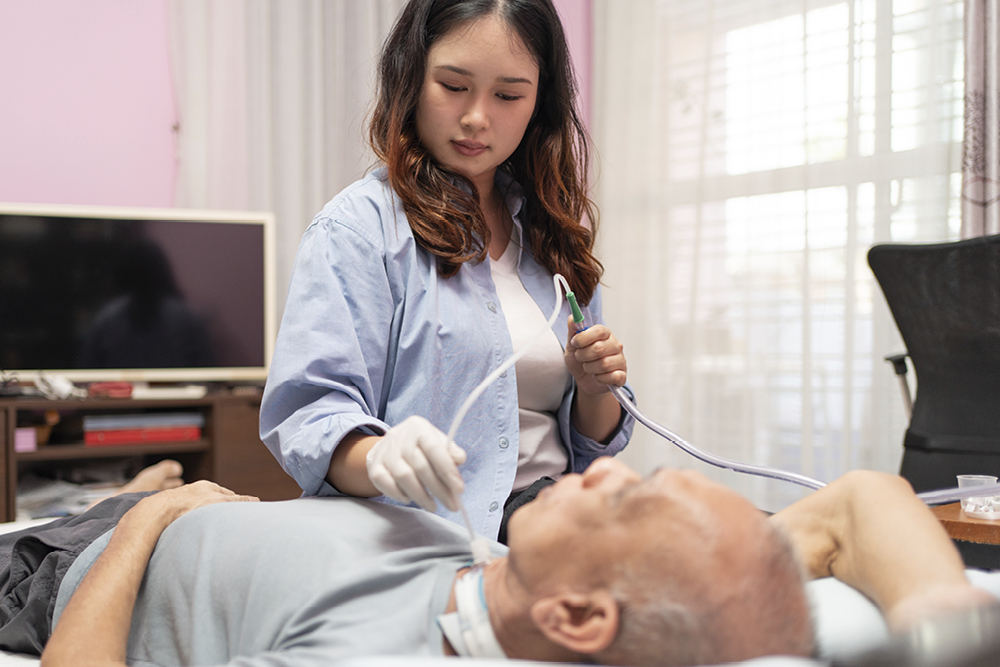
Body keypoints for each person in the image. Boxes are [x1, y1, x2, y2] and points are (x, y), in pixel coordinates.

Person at [2, 459, 995, 667]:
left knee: (73, 515)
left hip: (75, 565)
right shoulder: (620, 587)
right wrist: (942, 624)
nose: (601, 467)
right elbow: (864, 497)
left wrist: (147, 524)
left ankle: (122, 489)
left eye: (625, 495)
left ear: (576, 620)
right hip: (220, 514)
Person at [259, 0, 635, 541]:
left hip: (559, 515)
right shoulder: (360, 231)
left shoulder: (553, 234)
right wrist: (377, 455)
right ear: (411, 76)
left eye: (508, 95)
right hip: (438, 534)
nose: (477, 117)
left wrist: (596, 388)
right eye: (454, 86)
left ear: (539, 103)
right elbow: (309, 418)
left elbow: (588, 445)